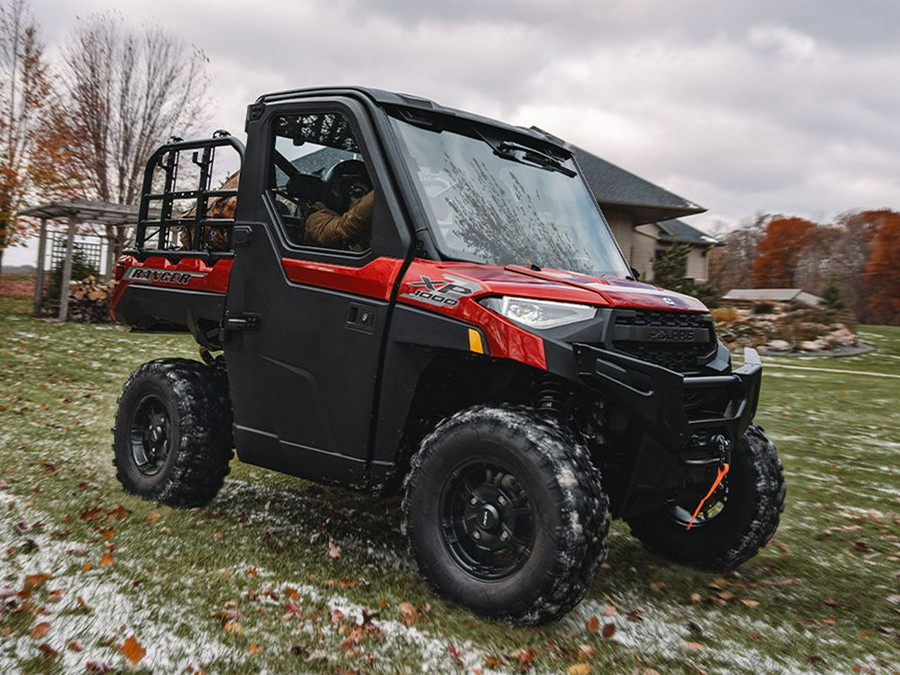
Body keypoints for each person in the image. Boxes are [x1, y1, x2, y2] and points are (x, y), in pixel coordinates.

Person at [304, 160, 374, 251]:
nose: (364, 200)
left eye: (368, 194)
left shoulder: (368, 225)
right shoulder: (316, 219)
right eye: (358, 192)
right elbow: (342, 231)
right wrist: (381, 190)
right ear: (341, 194)